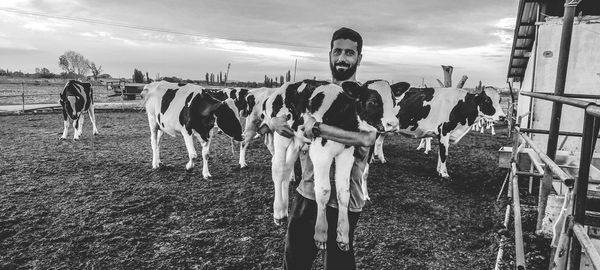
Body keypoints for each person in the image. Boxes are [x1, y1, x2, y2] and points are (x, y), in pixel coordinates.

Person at [271, 27, 374, 270]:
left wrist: (318, 128)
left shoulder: (365, 97)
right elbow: (287, 117)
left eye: (349, 53)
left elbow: (367, 138)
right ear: (329, 54)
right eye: (337, 51)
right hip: (307, 192)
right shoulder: (316, 94)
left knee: (338, 266)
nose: (342, 58)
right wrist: (276, 122)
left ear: (359, 58)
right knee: (294, 262)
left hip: (345, 199)